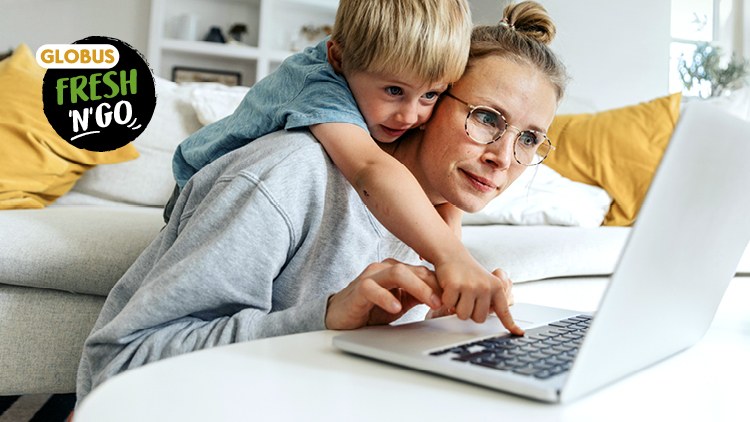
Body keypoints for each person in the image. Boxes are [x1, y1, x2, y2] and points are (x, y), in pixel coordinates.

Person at [76, 0, 568, 404]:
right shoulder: (286, 176)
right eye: (487, 118)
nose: (504, 157)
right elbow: (118, 366)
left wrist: (441, 329)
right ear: (438, 97)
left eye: (530, 139)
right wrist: (326, 316)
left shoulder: (434, 214)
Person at [167, 0, 510, 321]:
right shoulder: (319, 85)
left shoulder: (374, 76)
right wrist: (451, 257)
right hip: (201, 192)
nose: (410, 115)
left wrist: (451, 229)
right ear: (337, 57)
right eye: (394, 91)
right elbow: (369, 169)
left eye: (430, 94)